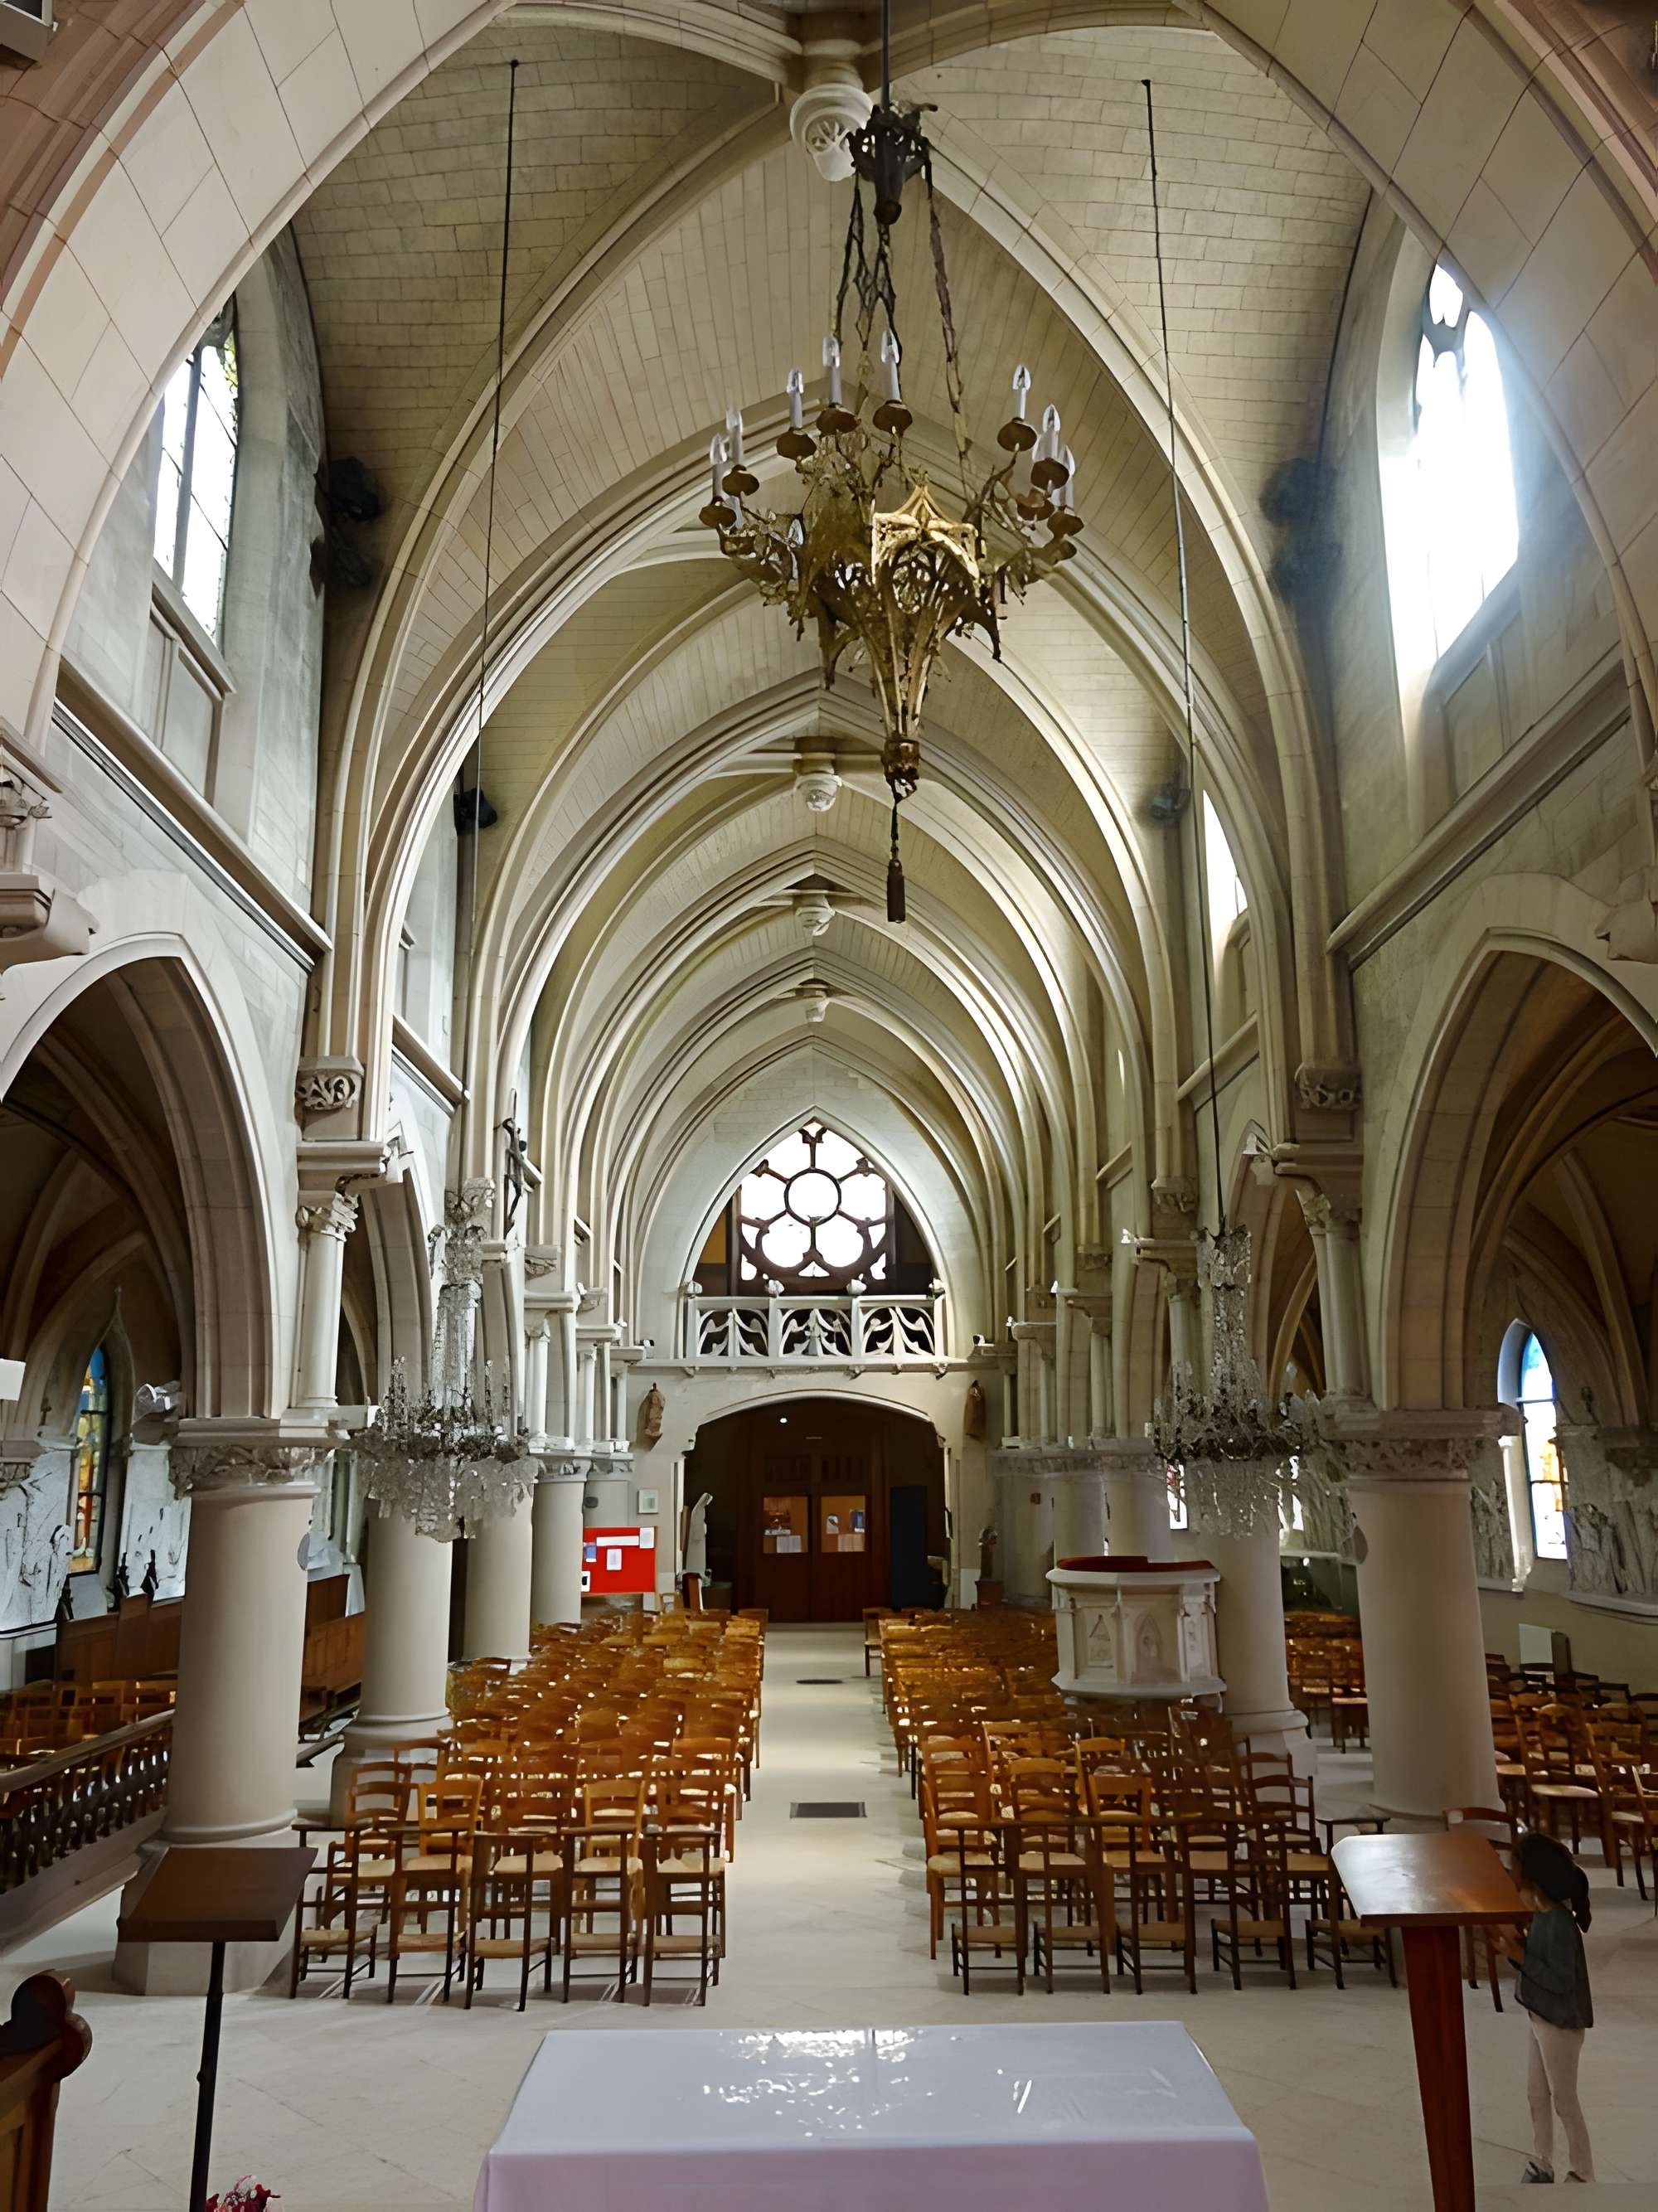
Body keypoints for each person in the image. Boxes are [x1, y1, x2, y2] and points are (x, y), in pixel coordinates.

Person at [1501, 1831, 1595, 2184]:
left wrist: (1521, 1956)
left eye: (1514, 1869)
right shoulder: (1541, 1917)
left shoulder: (1557, 1922)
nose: (1511, 1876)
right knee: (1535, 2093)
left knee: (1564, 2099)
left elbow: (1559, 1981)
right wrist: (1519, 1953)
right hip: (1540, 2016)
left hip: (1560, 2023)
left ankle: (1583, 2170)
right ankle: (1542, 2161)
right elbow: (1536, 1968)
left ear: (1531, 1876)